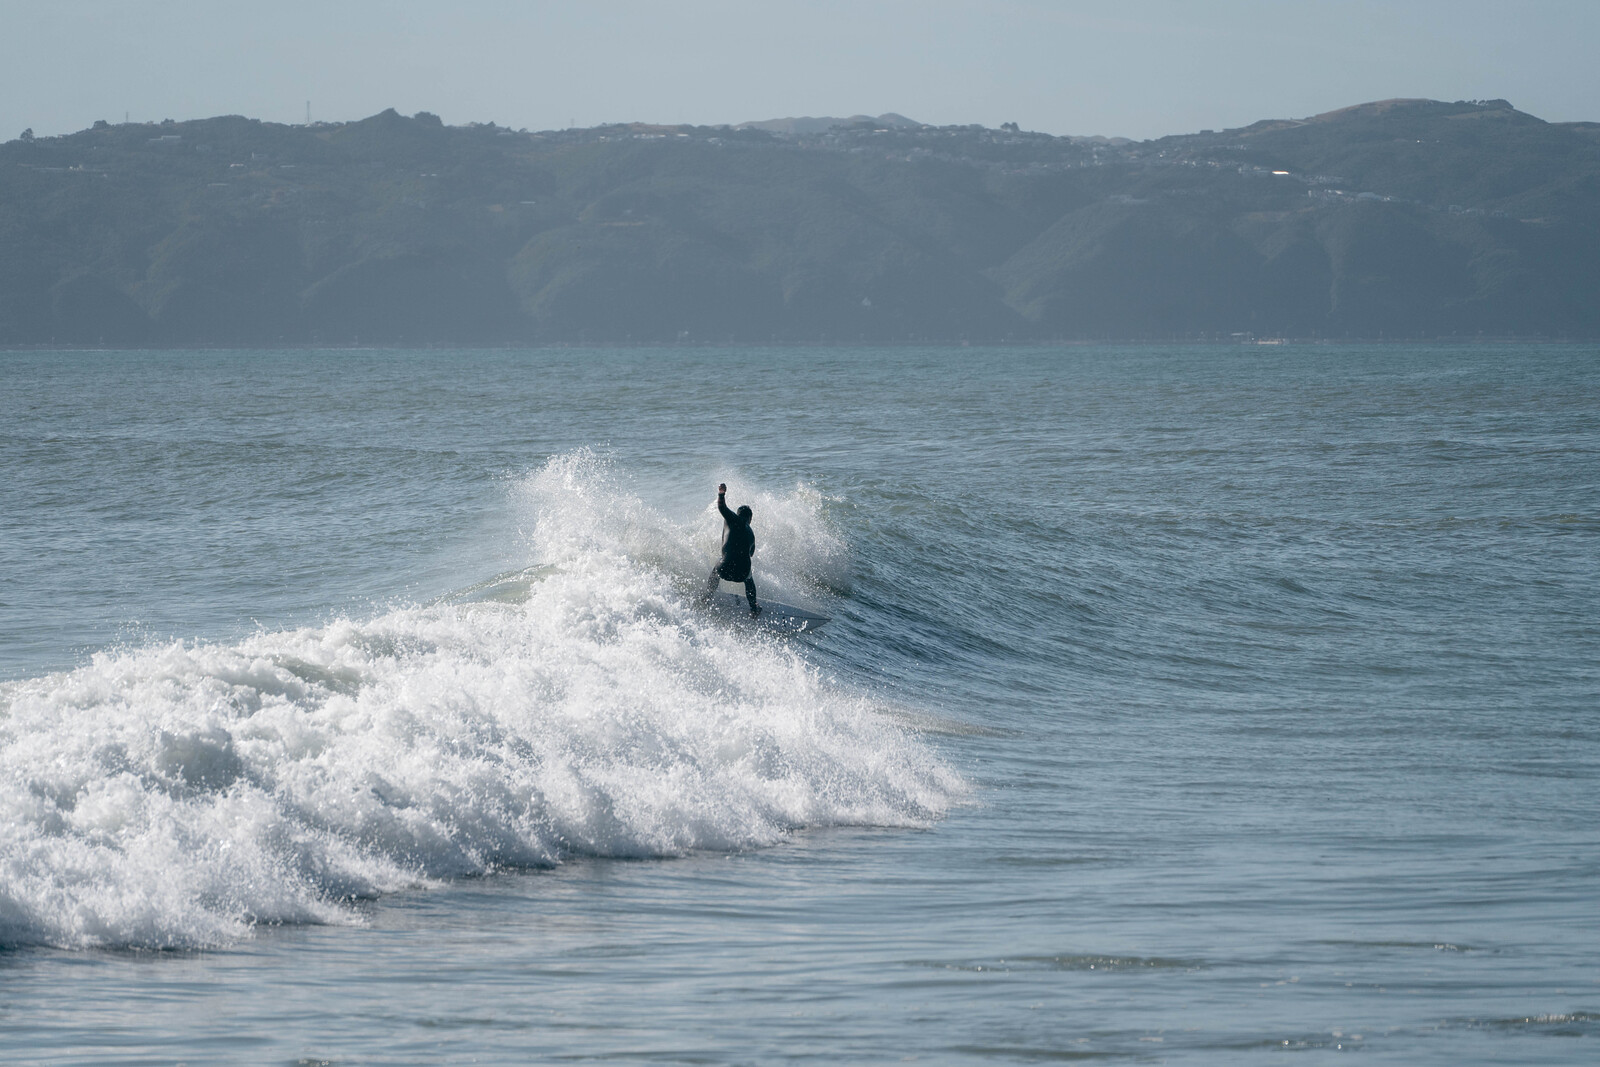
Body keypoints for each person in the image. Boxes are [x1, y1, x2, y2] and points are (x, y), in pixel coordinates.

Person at [707, 482, 760, 615]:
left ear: (737, 514)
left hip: (724, 570)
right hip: (741, 574)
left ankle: (707, 597)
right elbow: (750, 554)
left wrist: (721, 493)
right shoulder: (752, 534)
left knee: (716, 570)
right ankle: (753, 608)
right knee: (749, 577)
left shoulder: (733, 519)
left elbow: (722, 507)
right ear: (750, 518)